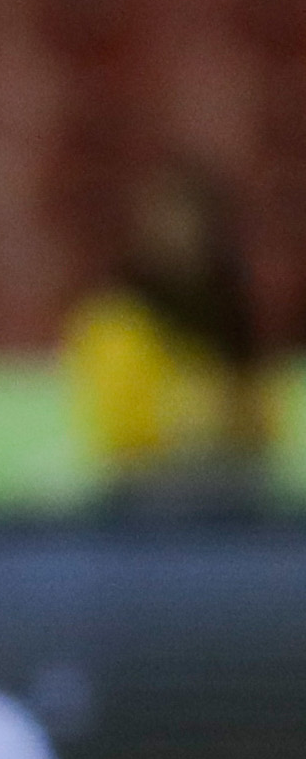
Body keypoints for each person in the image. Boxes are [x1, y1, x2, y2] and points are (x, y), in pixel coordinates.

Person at [64, 163, 281, 515]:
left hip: (230, 489)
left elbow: (263, 423)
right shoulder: (118, 320)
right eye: (170, 226)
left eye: (193, 227)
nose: (182, 240)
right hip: (145, 493)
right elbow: (122, 432)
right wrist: (195, 418)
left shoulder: (231, 320)